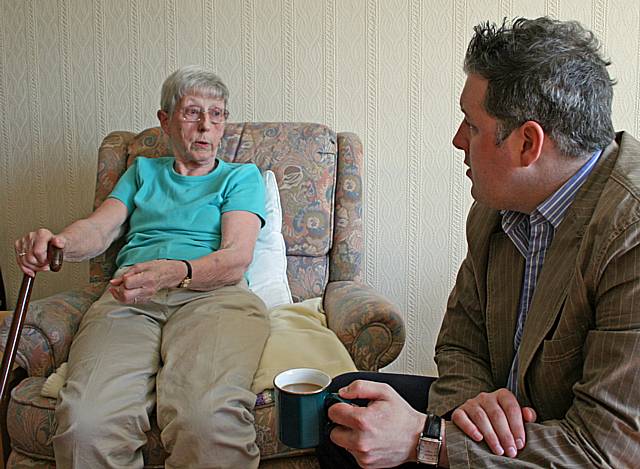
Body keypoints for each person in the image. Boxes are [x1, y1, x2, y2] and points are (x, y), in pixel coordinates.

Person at [318, 17, 640, 468]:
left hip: (573, 445)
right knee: (346, 411)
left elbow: (607, 451)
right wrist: (474, 403)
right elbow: (459, 343)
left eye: (471, 125)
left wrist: (428, 440)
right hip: (506, 431)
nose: (456, 140)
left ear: (528, 143)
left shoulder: (630, 234)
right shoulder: (498, 205)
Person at [14, 65, 269, 469]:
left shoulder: (240, 177)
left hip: (215, 298)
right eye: (192, 112)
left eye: (216, 114)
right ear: (165, 121)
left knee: (205, 421)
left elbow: (235, 258)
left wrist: (174, 272)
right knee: (86, 425)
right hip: (128, 300)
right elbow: (99, 229)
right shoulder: (141, 172)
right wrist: (59, 243)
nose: (206, 125)